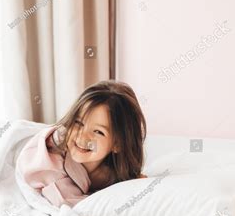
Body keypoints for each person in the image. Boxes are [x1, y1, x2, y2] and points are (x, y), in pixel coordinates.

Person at [16, 80, 147, 208]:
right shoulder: (53, 169)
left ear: (117, 144)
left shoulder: (113, 169)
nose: (83, 137)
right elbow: (71, 204)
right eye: (78, 123)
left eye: (98, 132)